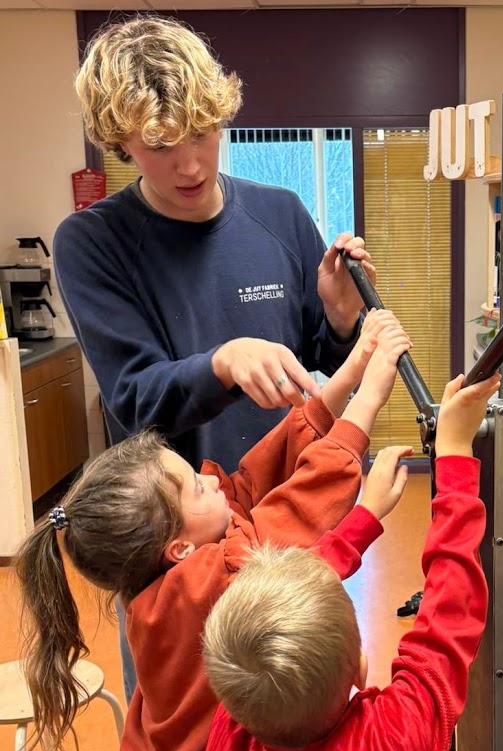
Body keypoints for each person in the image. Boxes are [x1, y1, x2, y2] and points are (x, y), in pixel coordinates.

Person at [53, 14, 376, 699]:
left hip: (282, 517)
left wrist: (341, 316)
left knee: (301, 723)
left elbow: (316, 352)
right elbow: (135, 395)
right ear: (120, 142)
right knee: (191, 750)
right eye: (160, 146)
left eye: (202, 134)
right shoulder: (93, 242)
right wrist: (222, 360)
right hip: (174, 545)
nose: (191, 164)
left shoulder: (280, 212)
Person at [16, 313, 411, 751]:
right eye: (196, 488)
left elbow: (258, 477)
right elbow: (293, 520)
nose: (212, 481)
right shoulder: (207, 585)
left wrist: (354, 367)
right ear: (178, 548)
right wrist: (372, 403)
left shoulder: (167, 575)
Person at [201, 371, 500, 751]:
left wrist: (365, 517)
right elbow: (448, 614)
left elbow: (442, 612)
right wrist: (455, 456)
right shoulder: (393, 746)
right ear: (360, 669)